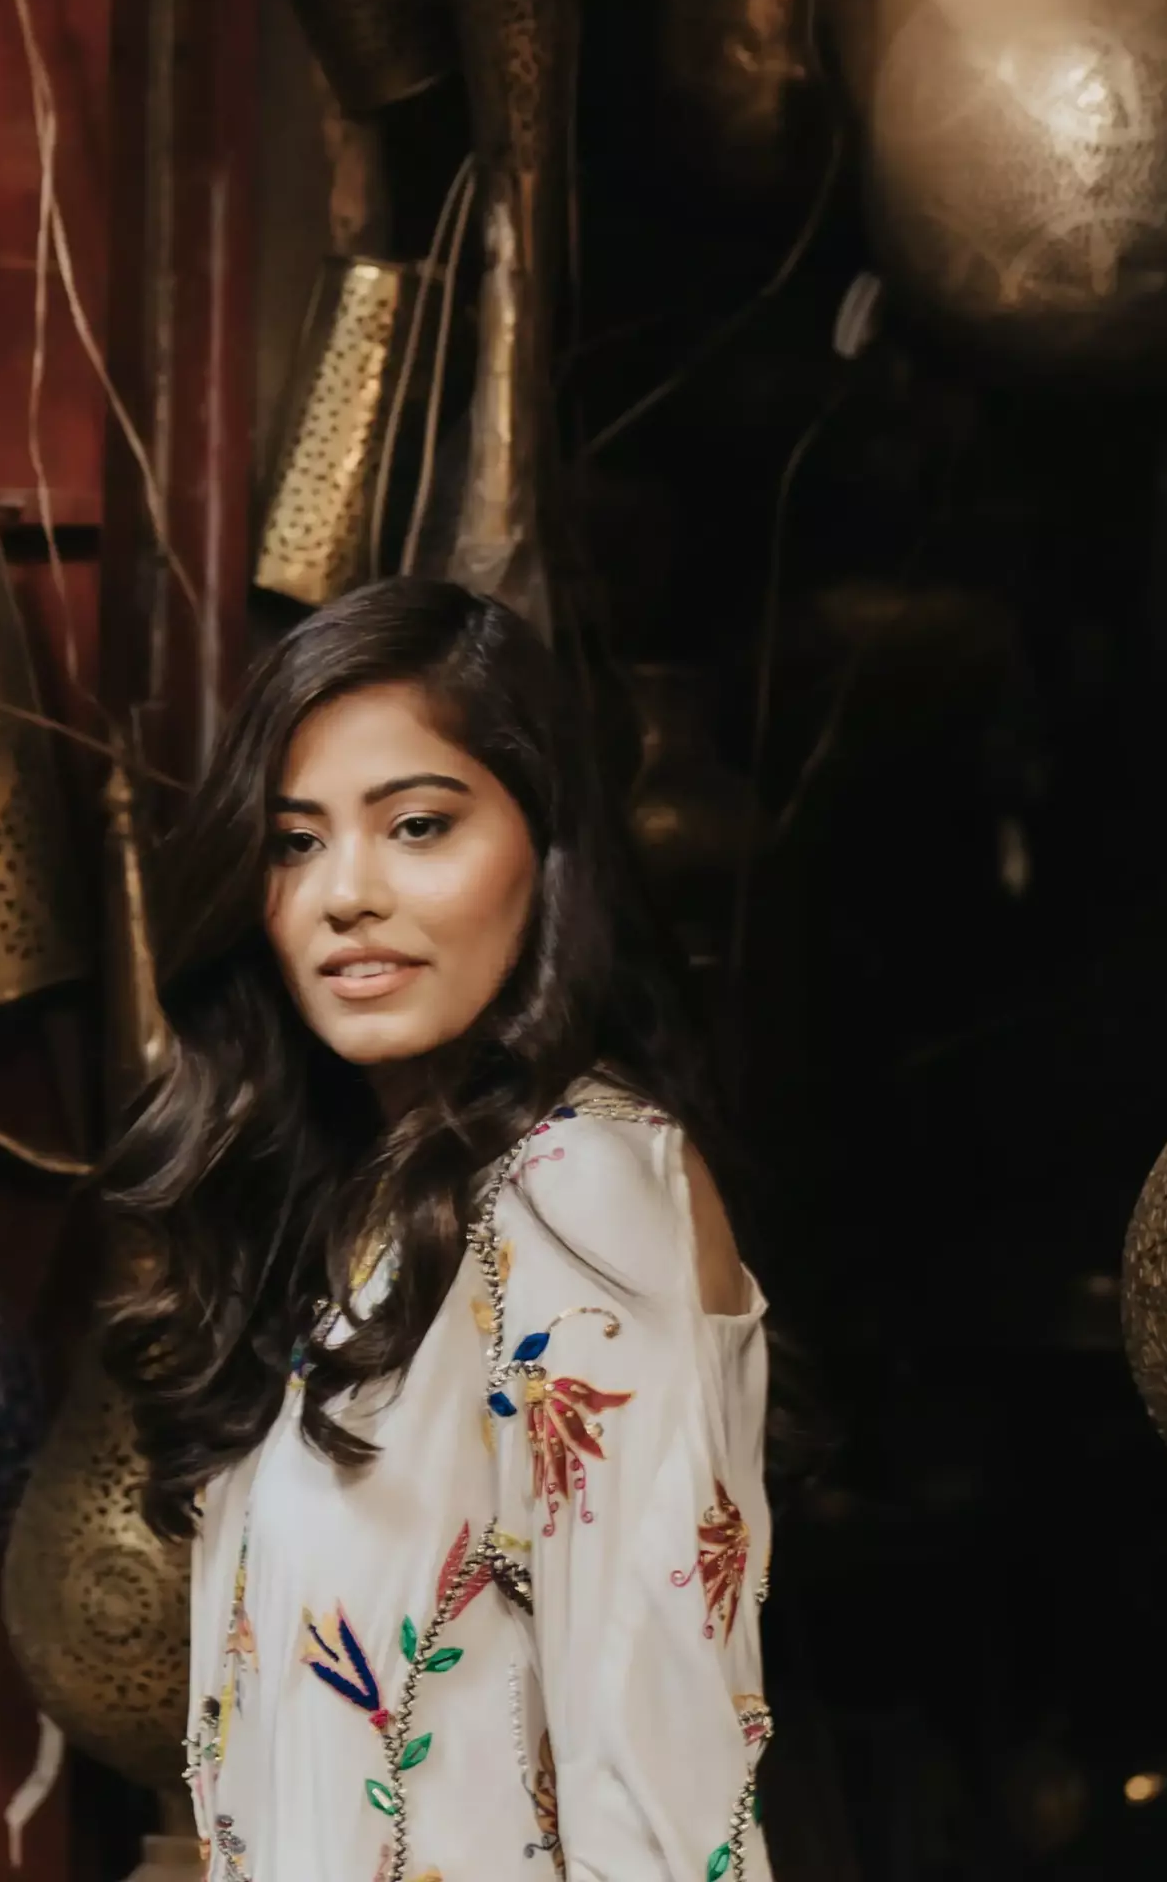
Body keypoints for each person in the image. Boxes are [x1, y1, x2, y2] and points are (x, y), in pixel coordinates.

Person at [102, 578, 777, 1881]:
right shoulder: (349, 1221)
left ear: (546, 850)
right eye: (296, 842)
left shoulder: (584, 1192)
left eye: (417, 825)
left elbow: (657, 1781)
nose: (347, 893)